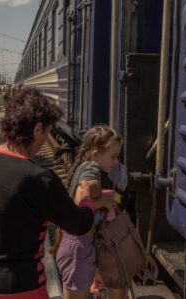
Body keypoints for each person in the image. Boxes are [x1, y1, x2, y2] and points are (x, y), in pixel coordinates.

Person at [0, 88, 114, 299]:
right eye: (47, 132)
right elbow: (80, 224)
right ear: (37, 129)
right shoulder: (39, 178)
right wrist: (88, 199)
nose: (45, 140)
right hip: (16, 288)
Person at [56, 125, 125, 299]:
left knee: (116, 281)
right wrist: (105, 201)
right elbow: (81, 202)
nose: (116, 161)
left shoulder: (85, 165)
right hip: (78, 248)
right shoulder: (91, 169)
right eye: (113, 156)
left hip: (78, 246)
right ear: (96, 154)